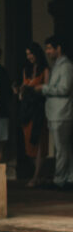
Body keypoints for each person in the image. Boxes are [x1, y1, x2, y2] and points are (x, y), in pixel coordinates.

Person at [18, 42, 50, 186]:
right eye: (27, 54)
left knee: (39, 140)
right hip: (27, 109)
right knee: (29, 142)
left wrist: (37, 88)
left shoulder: (44, 69)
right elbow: (23, 88)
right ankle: (40, 174)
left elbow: (46, 89)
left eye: (31, 53)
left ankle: (36, 176)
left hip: (39, 108)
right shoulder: (26, 69)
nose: (29, 56)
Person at [45, 35, 72, 190]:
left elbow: (64, 88)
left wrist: (44, 88)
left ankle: (60, 179)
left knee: (62, 148)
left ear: (58, 48)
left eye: (50, 48)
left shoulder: (66, 66)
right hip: (57, 112)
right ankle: (67, 177)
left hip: (62, 112)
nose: (48, 52)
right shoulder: (57, 65)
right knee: (64, 148)